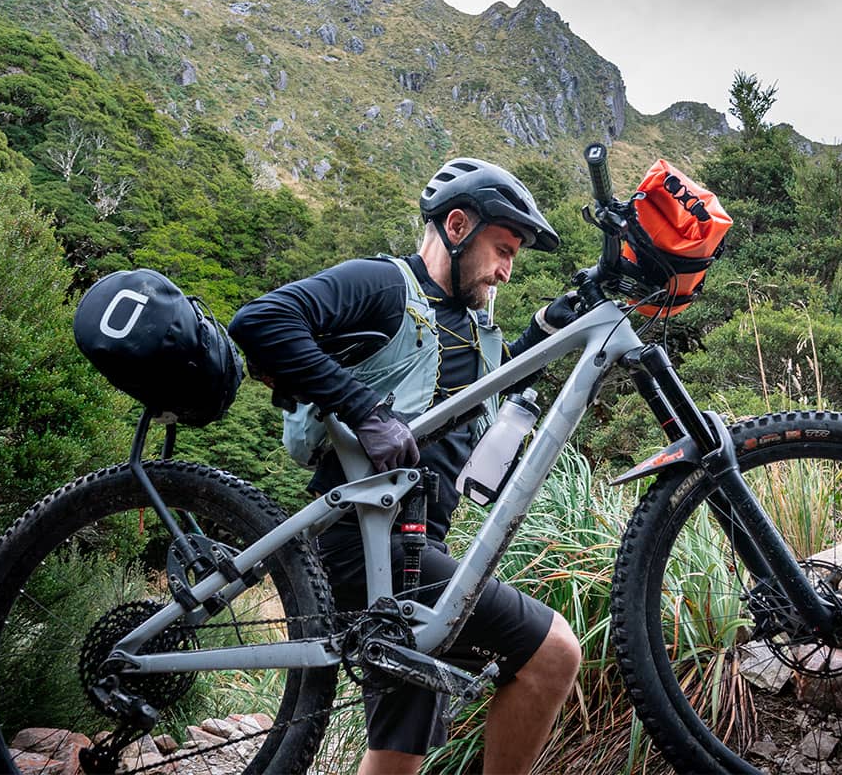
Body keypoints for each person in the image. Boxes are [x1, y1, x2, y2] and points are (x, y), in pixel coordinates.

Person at [229, 157, 583, 775]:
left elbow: (478, 401)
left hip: (412, 552)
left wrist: (551, 325)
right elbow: (259, 321)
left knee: (397, 757)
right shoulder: (386, 284)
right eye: (502, 249)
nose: (506, 269)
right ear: (455, 226)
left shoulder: (474, 329)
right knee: (552, 654)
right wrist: (363, 409)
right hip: (361, 542)